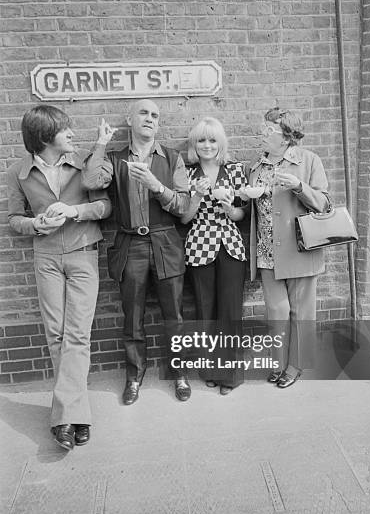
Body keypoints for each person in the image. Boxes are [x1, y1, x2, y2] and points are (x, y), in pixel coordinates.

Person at [7, 105, 112, 450]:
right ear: (43, 137)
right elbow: (12, 219)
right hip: (46, 257)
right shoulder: (19, 173)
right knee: (56, 335)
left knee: (77, 334)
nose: (71, 133)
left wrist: (74, 210)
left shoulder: (84, 161)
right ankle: (77, 415)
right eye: (64, 129)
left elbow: (104, 207)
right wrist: (34, 224)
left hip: (83, 253)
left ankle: (64, 417)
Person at [81, 99, 192, 404]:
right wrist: (101, 143)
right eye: (143, 113)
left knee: (175, 316)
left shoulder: (172, 159)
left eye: (155, 115)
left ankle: (180, 373)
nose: (149, 118)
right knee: (132, 317)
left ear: (159, 124)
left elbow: (184, 208)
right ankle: (134, 377)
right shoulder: (115, 159)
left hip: (166, 242)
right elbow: (90, 180)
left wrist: (157, 186)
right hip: (131, 244)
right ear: (129, 120)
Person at [246, 107, 330, 388]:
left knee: (301, 313)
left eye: (268, 130)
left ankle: (295, 366)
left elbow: (324, 204)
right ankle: (278, 362)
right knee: (277, 311)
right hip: (267, 251)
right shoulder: (255, 166)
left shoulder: (308, 161)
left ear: (285, 137)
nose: (262, 133)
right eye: (263, 128)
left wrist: (298, 186)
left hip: (299, 250)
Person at [181, 117, 247, 395]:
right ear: (194, 145)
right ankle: (210, 370)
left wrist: (230, 209)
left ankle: (230, 376)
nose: (207, 145)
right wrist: (195, 197)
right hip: (199, 246)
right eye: (201, 140)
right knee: (205, 311)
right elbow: (183, 218)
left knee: (230, 311)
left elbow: (243, 214)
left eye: (212, 140)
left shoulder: (235, 170)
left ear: (220, 143)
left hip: (230, 245)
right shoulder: (186, 173)